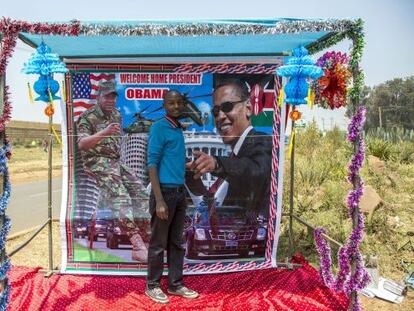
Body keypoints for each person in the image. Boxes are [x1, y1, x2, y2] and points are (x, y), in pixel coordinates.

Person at [76, 80, 149, 262]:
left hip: (116, 162)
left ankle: (146, 238)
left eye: (113, 97)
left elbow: (117, 143)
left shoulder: (116, 114)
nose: (111, 100)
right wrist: (105, 132)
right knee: (120, 196)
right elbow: (82, 144)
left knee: (141, 192)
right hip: (97, 161)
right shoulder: (88, 116)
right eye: (107, 96)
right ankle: (137, 245)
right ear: (98, 97)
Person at [186, 79, 272, 219]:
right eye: (215, 111)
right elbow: (215, 204)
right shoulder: (234, 158)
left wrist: (217, 164)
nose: (220, 116)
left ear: (248, 109)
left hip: (251, 236)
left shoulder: (262, 142)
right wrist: (191, 179)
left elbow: (256, 172)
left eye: (227, 107)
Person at [145, 90, 199, 304]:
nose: (176, 106)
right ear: (164, 105)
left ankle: (175, 284)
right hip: (164, 194)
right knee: (159, 243)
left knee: (176, 242)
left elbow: (171, 162)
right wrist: (159, 200)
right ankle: (153, 285)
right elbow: (152, 164)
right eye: (171, 103)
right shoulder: (159, 127)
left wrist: (188, 166)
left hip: (179, 193)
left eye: (179, 103)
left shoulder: (177, 129)